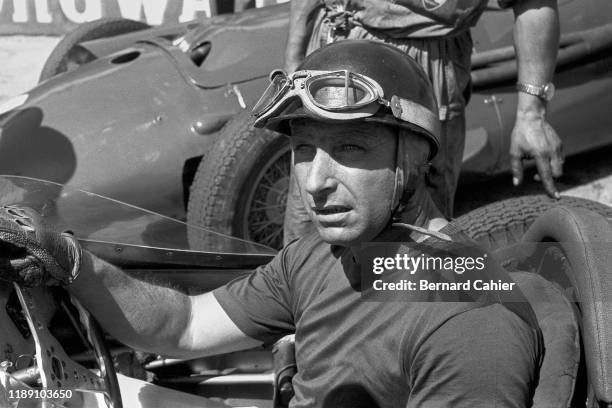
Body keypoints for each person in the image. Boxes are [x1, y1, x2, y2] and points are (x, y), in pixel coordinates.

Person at [0, 41, 543, 407]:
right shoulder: (321, 257)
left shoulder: (470, 318)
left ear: (417, 157)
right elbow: (184, 325)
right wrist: (73, 262)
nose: (315, 182)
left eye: (350, 148)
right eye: (304, 150)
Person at [282, 0, 563, 245]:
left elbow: (533, 5)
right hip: (333, 47)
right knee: (313, 213)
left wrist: (531, 114)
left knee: (412, 228)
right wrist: (294, 70)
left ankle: (405, 301)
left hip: (423, 61)